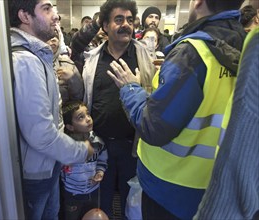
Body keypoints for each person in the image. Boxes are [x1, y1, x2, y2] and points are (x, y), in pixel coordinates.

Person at [106, 0, 246, 219]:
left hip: (169, 188)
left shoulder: (192, 54)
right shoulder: (247, 50)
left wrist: (129, 87)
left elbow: (153, 125)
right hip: (217, 187)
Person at [8, 0, 94, 219]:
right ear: (25, 16)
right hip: (36, 172)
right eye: (47, 9)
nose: (56, 16)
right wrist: (81, 150)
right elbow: (41, 134)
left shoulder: (39, 56)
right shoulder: (26, 61)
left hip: (47, 163)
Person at [82, 0, 155, 218]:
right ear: (105, 25)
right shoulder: (93, 59)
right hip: (99, 144)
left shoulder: (144, 57)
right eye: (119, 19)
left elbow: (153, 102)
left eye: (130, 20)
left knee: (130, 200)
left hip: (132, 145)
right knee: (100, 199)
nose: (126, 25)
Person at [193, 0, 259, 218]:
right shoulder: (244, 40)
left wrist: (131, 90)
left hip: (212, 191)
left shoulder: (192, 49)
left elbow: (242, 153)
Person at [60, 101, 108, 220]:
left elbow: (102, 160)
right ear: (70, 126)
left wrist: (100, 172)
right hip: (72, 193)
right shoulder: (66, 145)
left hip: (93, 190)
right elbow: (60, 164)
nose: (87, 119)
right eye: (81, 117)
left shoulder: (97, 142)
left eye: (87, 114)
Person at [46, 32, 83, 104]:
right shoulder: (34, 62)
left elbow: (79, 96)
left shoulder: (67, 63)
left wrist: (73, 78)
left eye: (55, 39)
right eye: (48, 38)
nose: (52, 41)